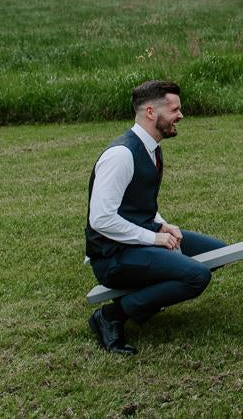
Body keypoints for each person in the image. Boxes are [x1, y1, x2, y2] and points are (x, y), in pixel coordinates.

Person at [85, 80, 226, 354]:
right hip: (113, 256)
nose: (180, 116)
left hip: (139, 240)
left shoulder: (151, 148)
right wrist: (155, 238)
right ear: (151, 112)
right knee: (196, 275)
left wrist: (162, 223)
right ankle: (112, 316)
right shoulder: (121, 155)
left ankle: (148, 297)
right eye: (174, 110)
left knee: (220, 253)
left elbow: (138, 202)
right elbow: (101, 219)